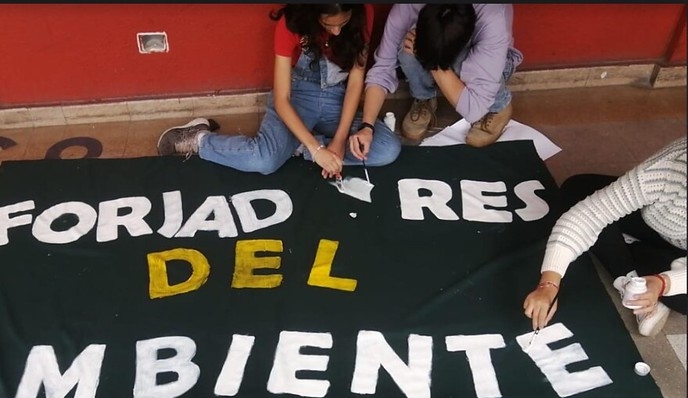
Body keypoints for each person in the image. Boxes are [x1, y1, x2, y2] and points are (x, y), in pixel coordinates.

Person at [157, 4, 401, 177]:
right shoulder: (290, 23)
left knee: (387, 149)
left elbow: (356, 80)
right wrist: (317, 150)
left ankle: (295, 145)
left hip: (338, 96)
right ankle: (200, 139)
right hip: (298, 95)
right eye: (329, 24)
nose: (336, 31)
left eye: (343, 23)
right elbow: (282, 98)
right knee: (264, 160)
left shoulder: (362, 12)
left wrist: (338, 142)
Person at [524, 136, 686, 338]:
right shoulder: (674, 164)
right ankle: (634, 280)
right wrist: (549, 282)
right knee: (578, 190)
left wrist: (665, 283)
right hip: (657, 222)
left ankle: (645, 276)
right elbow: (589, 214)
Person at [349, 4, 522, 161]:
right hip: (434, 50)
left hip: (487, 64)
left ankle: (499, 105)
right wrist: (367, 126)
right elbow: (382, 70)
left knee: (461, 62)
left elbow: (474, 109)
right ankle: (424, 98)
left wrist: (432, 62)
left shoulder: (492, 17)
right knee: (406, 47)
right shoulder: (407, 8)